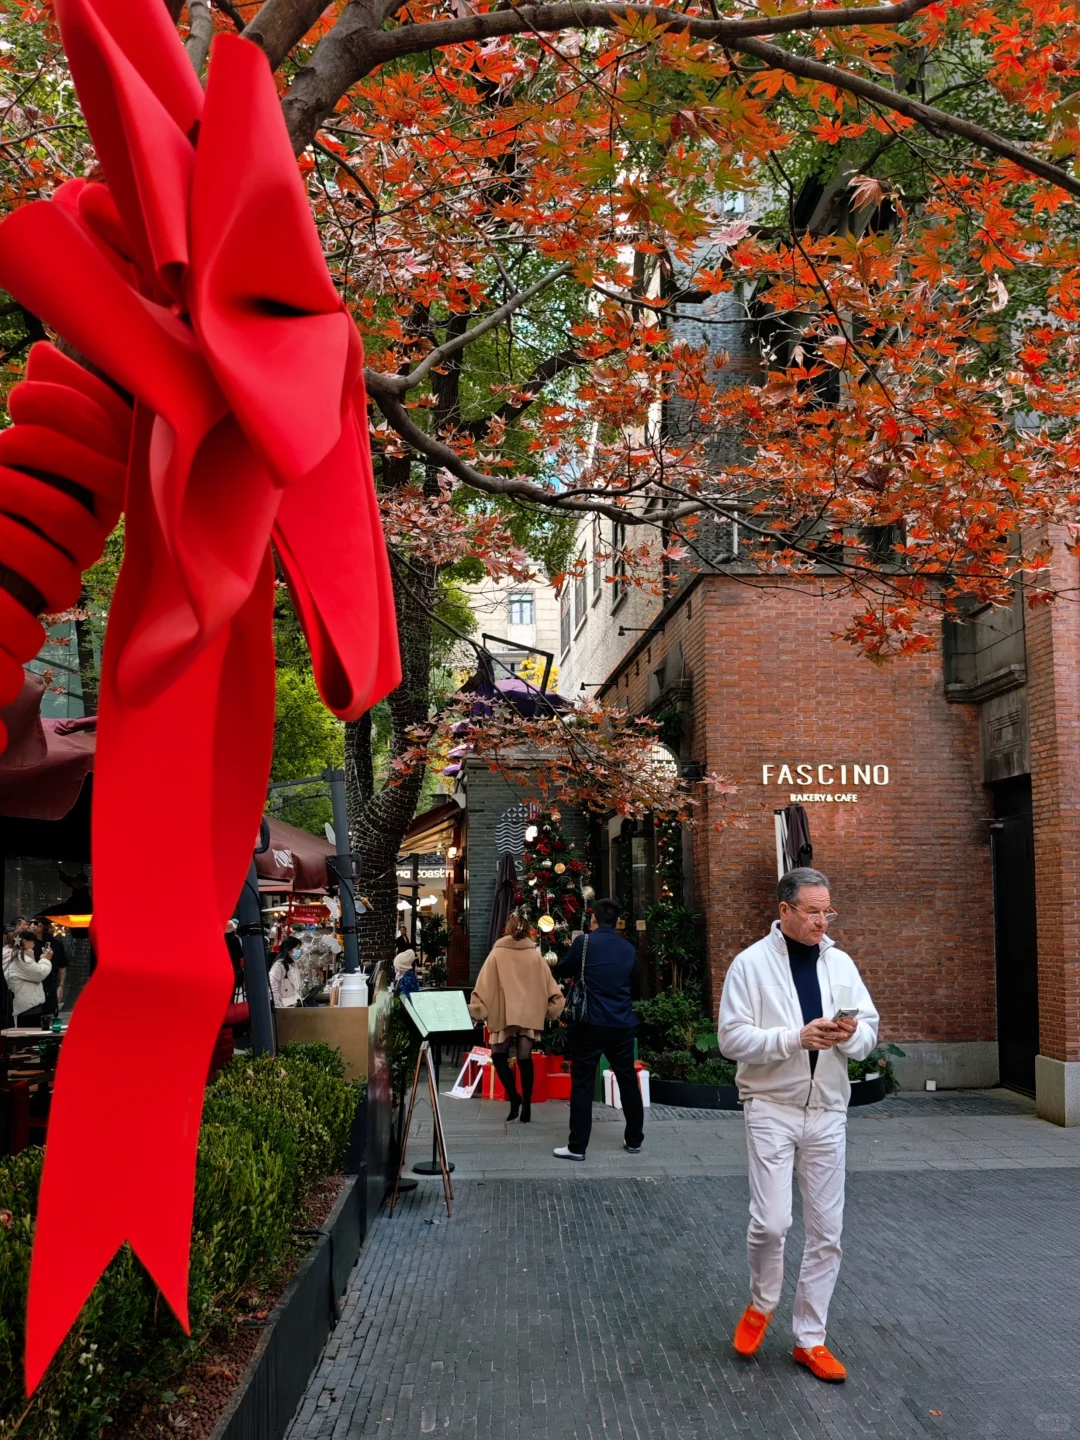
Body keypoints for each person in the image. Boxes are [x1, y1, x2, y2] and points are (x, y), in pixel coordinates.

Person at [718, 867, 879, 1385]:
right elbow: (731, 1039)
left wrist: (851, 1035)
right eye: (813, 911)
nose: (822, 921)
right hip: (771, 1106)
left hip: (828, 1110)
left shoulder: (841, 962)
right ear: (784, 910)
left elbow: (870, 1031)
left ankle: (810, 1338)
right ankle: (763, 1300)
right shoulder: (749, 964)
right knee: (771, 1223)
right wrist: (794, 1038)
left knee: (827, 1232)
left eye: (828, 911)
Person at [550, 897, 643, 1159]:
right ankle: (634, 1139)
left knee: (582, 1083)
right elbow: (634, 983)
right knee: (627, 1080)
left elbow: (563, 969)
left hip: (589, 1023)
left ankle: (577, 1146)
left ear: (593, 919)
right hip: (621, 1023)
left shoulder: (584, 942)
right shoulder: (628, 948)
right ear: (617, 921)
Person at [469, 911, 565, 1122]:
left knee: (498, 1056)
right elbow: (551, 987)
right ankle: (527, 1106)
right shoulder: (535, 956)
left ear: (508, 930)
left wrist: (478, 1008)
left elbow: (483, 984)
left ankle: (514, 1097)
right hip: (528, 1012)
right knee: (524, 1058)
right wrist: (552, 1008)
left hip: (504, 1011)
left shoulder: (497, 954)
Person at [3, 929, 53, 1026]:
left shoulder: (11, 955)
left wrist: (29, 954)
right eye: (33, 942)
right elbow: (40, 973)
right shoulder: (19, 958)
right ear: (25, 942)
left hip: (21, 1003)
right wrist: (45, 959)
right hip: (27, 1007)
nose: (34, 945)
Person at [32, 918, 68, 1015]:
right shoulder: (31, 944)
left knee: (50, 1015)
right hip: (34, 985)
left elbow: (62, 967)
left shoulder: (57, 945)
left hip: (51, 985)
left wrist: (61, 986)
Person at [268, 935, 302, 1009]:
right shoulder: (278, 966)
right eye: (297, 948)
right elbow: (273, 988)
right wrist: (278, 1006)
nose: (299, 951)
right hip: (284, 1006)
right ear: (289, 950)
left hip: (295, 1003)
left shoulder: (293, 963)